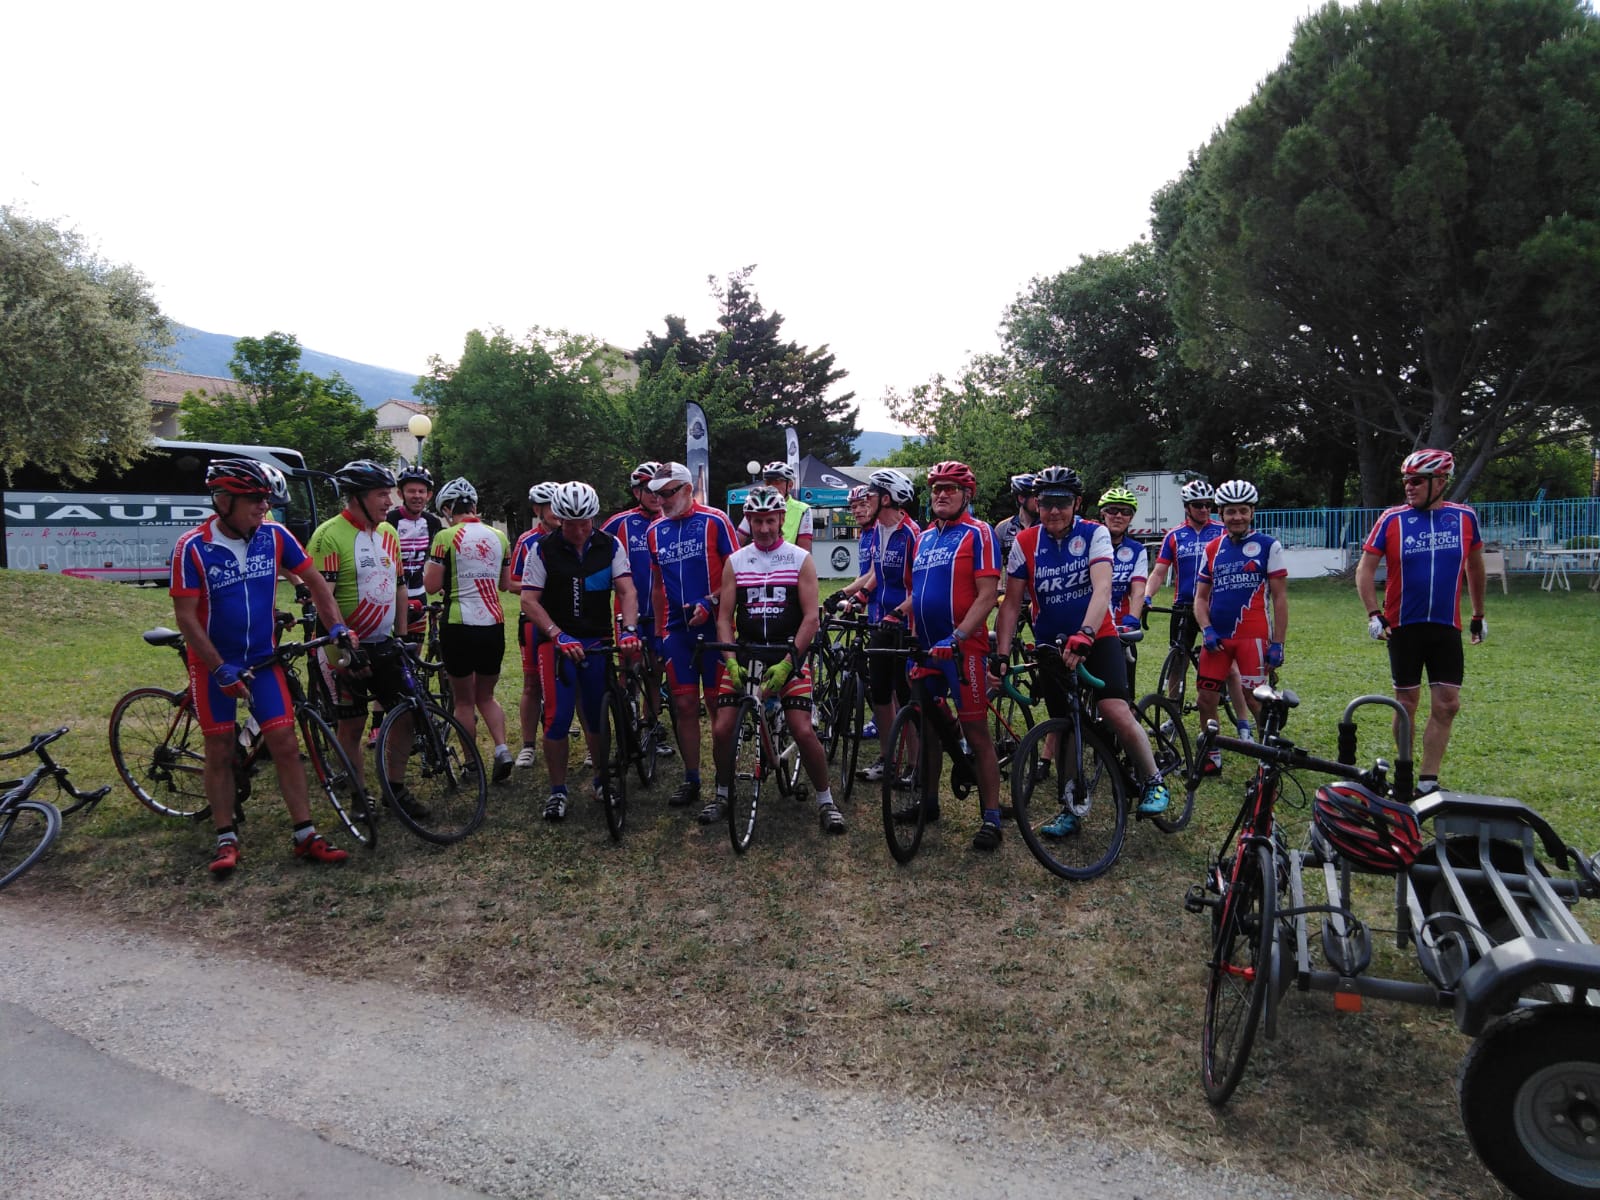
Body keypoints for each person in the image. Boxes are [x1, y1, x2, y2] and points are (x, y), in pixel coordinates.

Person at [170, 457, 353, 874]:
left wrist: (338, 627)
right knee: (218, 748)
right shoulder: (192, 547)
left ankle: (305, 834)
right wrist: (219, 668)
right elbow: (186, 618)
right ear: (223, 500)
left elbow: (317, 584)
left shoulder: (275, 536)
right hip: (213, 664)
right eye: (254, 499)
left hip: (262, 658)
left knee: (285, 743)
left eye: (265, 499)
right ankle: (225, 838)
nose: (262, 507)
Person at [993, 467, 1171, 829]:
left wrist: (1087, 632)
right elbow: (1012, 603)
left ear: (1076, 503)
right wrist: (1000, 653)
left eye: (1061, 503)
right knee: (1065, 727)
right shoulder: (1025, 542)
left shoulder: (1095, 533)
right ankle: (1072, 807)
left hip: (1097, 635)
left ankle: (1154, 780)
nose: (1054, 511)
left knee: (1114, 710)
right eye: (1046, 503)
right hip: (1050, 643)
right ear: (1036, 504)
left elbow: (1102, 587)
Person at [707, 485, 844, 833]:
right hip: (746, 652)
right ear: (748, 521)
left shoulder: (800, 558)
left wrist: (789, 662)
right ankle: (722, 794)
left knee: (801, 729)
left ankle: (826, 801)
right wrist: (729, 657)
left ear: (782, 518)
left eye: (770, 520)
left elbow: (811, 617)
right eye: (757, 521)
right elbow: (724, 617)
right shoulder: (736, 561)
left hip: (787, 653)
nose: (764, 528)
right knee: (722, 729)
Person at [1355, 449, 1486, 795]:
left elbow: (1475, 567)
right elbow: (1365, 570)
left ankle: (1428, 781)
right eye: (1406, 481)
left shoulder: (1464, 518)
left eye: (1416, 481)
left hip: (1445, 625)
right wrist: (1373, 613)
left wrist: (1479, 614)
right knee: (1406, 702)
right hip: (1404, 625)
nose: (1408, 488)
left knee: (1448, 703)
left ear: (1440, 482)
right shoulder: (1391, 519)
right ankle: (1404, 770)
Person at [520, 482, 641, 821]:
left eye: (584, 522)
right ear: (557, 518)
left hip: (597, 641)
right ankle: (558, 791)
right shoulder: (542, 549)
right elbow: (529, 600)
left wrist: (629, 630)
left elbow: (627, 591)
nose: (577, 530)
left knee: (595, 715)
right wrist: (558, 635)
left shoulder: (610, 545)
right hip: (556, 644)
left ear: (594, 517)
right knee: (557, 719)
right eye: (570, 523)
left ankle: (602, 780)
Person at [902, 460, 1006, 850]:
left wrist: (959, 635)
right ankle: (928, 803)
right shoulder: (925, 537)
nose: (941, 494)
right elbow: (918, 596)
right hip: (928, 650)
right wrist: (909, 632)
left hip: (965, 650)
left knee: (976, 732)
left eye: (950, 488)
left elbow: (986, 595)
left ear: (967, 494)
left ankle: (992, 817)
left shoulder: (978, 534)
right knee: (927, 727)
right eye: (936, 489)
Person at [306, 460, 419, 810]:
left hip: (384, 643)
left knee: (407, 713)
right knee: (352, 724)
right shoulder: (329, 535)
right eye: (382, 494)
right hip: (341, 646)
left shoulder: (390, 533)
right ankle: (358, 794)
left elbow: (401, 587)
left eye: (389, 494)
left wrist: (402, 636)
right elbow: (322, 597)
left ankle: (395, 788)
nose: (390, 501)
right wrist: (340, 644)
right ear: (356, 497)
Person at [645, 461, 741, 811]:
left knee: (718, 707)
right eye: (657, 494)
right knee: (684, 705)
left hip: (715, 630)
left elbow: (736, 576)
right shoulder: (655, 531)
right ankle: (692, 778)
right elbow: (656, 588)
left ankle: (723, 784)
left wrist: (711, 601)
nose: (662, 500)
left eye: (669, 493)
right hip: (676, 632)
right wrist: (657, 634)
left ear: (688, 490)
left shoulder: (715, 521)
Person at [1192, 480, 1289, 776]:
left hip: (1253, 638)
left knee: (1254, 699)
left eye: (1243, 511)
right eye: (1231, 511)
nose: (1237, 517)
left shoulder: (1267, 545)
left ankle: (1267, 751)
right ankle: (1212, 754)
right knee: (1205, 698)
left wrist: (1278, 643)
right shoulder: (1212, 548)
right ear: (1221, 514)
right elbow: (1200, 598)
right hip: (1218, 640)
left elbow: (1280, 598)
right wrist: (1206, 628)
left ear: (1252, 512)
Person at [1144, 478, 1253, 739]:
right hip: (1183, 606)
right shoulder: (1174, 535)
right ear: (1187, 507)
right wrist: (1147, 596)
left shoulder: (1221, 532)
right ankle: (1173, 714)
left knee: (1229, 667)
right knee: (1176, 662)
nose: (1204, 509)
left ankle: (1243, 723)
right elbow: (1159, 572)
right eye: (1198, 505)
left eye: (1207, 505)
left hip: (1216, 605)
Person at [829, 469, 920, 782]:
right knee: (880, 694)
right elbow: (876, 576)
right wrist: (857, 599)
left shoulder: (911, 534)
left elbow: (918, 588)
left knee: (905, 696)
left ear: (886, 498)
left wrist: (898, 613)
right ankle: (886, 758)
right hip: (881, 622)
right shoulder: (878, 532)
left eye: (871, 494)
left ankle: (914, 764)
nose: (865, 499)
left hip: (906, 624)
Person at [423, 477, 514, 782]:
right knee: (486, 696)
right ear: (475, 506)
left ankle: (472, 764)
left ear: (448, 509)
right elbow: (504, 583)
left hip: (458, 625)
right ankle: (502, 749)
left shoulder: (445, 537)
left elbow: (432, 586)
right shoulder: (498, 536)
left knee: (464, 700)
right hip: (493, 624)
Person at [601, 462, 672, 758]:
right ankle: (626, 726)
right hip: (628, 613)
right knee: (627, 672)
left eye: (658, 489)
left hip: (660, 612)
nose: (655, 495)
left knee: (655, 672)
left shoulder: (671, 521)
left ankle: (652, 726)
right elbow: (593, 548)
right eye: (647, 489)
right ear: (636, 491)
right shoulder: (620, 523)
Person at [381, 464, 444, 745]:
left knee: (413, 655)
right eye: (411, 490)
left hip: (418, 593)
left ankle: (412, 712)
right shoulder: (390, 520)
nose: (416, 495)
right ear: (400, 493)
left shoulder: (433, 523)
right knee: (387, 659)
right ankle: (377, 722)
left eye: (421, 491)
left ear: (429, 495)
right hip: (390, 593)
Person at [508, 481, 560, 770]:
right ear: (538, 510)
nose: (556, 512)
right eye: (549, 506)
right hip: (533, 620)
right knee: (531, 684)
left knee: (575, 683)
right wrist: (537, 586)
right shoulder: (527, 540)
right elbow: (512, 582)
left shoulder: (573, 536)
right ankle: (528, 744)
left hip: (568, 618)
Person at [1098, 485, 1150, 692]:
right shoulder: (1088, 543)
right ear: (1103, 513)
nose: (1118, 516)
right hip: (1092, 626)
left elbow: (1138, 590)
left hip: (1121, 628)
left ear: (1131, 517)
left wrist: (1133, 620)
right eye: (1113, 510)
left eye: (1126, 511)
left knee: (1123, 691)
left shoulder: (1136, 550)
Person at [736, 461, 813, 551]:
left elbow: (804, 550)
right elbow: (737, 541)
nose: (772, 486)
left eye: (777, 481)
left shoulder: (803, 510)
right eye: (768, 482)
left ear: (790, 485)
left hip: (788, 562)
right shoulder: (756, 505)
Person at [993, 473, 1039, 595]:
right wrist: (999, 590)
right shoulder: (1003, 528)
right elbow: (996, 566)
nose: (1039, 501)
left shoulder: (1046, 527)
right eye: (1035, 497)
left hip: (1041, 598)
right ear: (1021, 498)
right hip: (1014, 599)